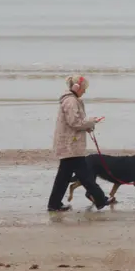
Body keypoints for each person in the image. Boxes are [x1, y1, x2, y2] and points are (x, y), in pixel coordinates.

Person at [47, 75, 110, 212]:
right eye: (84, 88)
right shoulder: (71, 101)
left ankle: (54, 204)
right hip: (71, 145)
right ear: (77, 87)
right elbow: (74, 122)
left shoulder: (72, 100)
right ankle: (100, 199)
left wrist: (88, 125)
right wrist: (91, 121)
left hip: (70, 144)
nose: (85, 91)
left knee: (64, 176)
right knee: (84, 174)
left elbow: (76, 123)